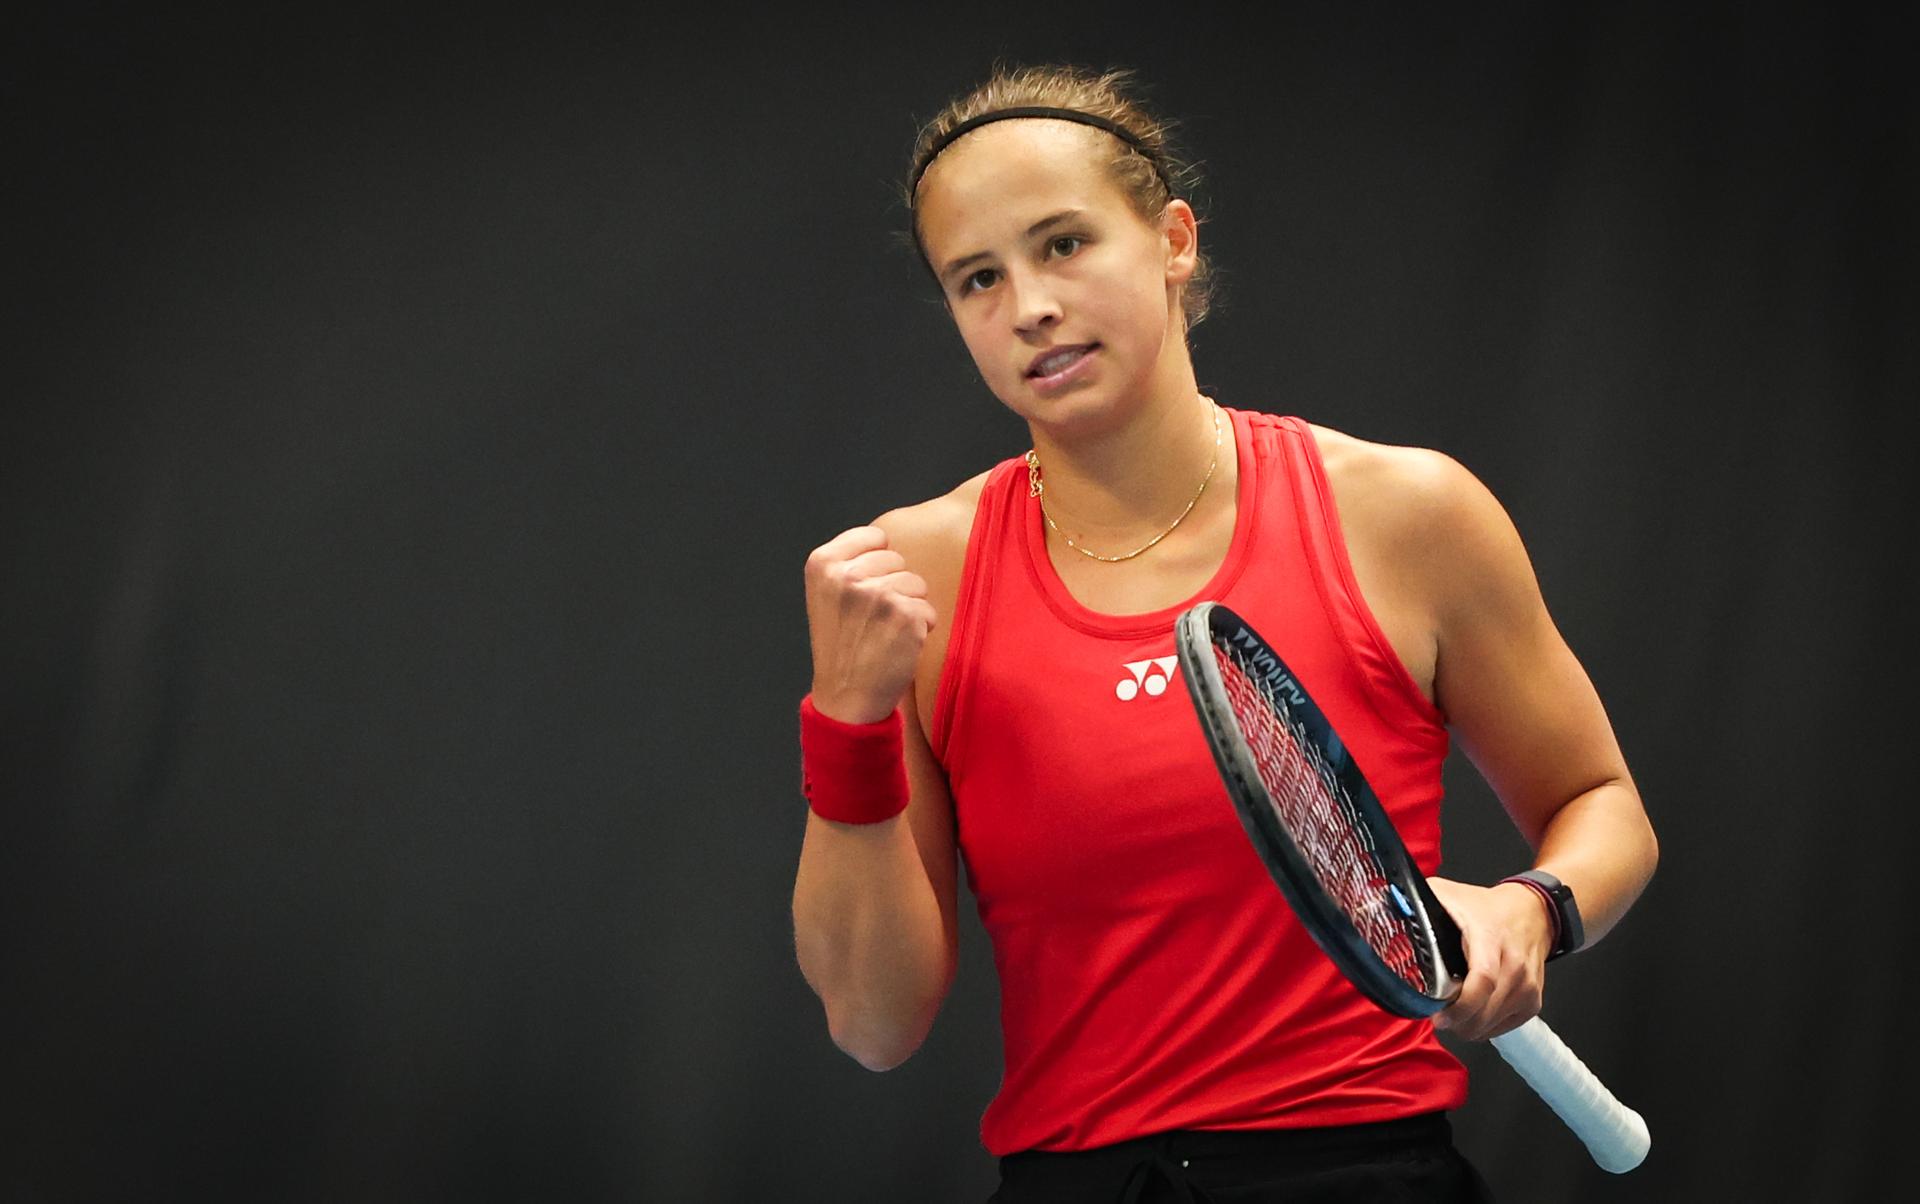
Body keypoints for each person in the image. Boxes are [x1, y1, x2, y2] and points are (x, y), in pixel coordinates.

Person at [790, 64, 1658, 1203]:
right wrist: (846, 718)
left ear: (1174, 240)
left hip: (1363, 1173)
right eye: (978, 279)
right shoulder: (912, 575)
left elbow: (1603, 803)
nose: (1030, 307)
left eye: (1064, 244)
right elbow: (872, 1021)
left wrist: (1530, 908)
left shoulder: (1408, 512)